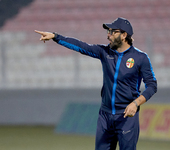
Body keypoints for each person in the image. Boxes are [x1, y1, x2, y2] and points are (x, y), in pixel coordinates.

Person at [35, 17, 157, 150]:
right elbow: (81, 46)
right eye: (108, 32)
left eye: (112, 32)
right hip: (105, 115)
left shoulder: (141, 58)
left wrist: (135, 103)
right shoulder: (104, 52)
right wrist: (55, 36)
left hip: (126, 116)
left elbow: (152, 85)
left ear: (124, 35)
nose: (108, 35)